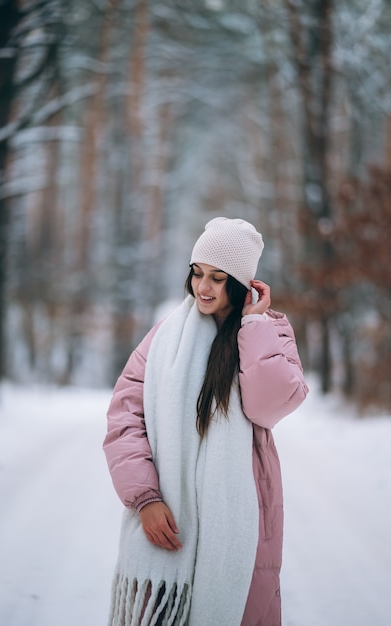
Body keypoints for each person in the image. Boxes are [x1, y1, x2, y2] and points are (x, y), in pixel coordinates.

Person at [103, 217, 308, 626]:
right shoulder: (164, 339)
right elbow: (125, 418)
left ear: (241, 282)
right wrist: (145, 498)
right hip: (169, 520)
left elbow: (267, 407)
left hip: (242, 517)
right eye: (197, 273)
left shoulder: (270, 332)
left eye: (218, 277)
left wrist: (253, 324)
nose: (203, 287)